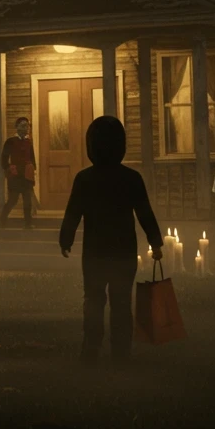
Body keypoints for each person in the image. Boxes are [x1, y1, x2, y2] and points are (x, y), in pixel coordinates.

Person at [59, 115, 163, 366]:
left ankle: (91, 348)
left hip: (95, 251)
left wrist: (66, 238)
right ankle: (121, 351)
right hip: (123, 251)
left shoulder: (84, 179)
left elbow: (73, 212)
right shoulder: (131, 178)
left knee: (93, 299)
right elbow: (145, 212)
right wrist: (155, 242)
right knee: (121, 301)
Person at [0, 116, 36, 228]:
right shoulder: (10, 142)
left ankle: (28, 223)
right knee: (13, 199)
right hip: (15, 176)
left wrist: (33, 169)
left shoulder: (29, 142)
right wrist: (9, 168)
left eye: (27, 126)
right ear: (17, 127)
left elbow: (32, 158)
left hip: (26, 175)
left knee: (27, 200)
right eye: (23, 126)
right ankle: (2, 219)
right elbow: (4, 159)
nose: (26, 128)